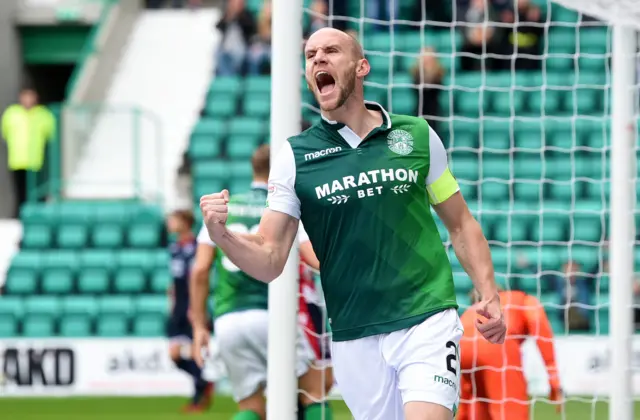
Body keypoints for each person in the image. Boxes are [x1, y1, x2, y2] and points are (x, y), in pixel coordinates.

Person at [200, 27, 506, 420]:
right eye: (310, 55)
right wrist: (221, 235)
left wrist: (489, 292)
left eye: (330, 51)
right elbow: (271, 258)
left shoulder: (415, 135)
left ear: (362, 67)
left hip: (427, 318)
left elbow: (461, 223)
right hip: (353, 333)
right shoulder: (295, 158)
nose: (318, 60)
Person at [191, 144, 334, 420]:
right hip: (273, 315)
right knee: (315, 392)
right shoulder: (284, 207)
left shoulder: (224, 208)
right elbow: (315, 259)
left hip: (228, 318)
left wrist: (199, 326)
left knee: (251, 408)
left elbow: (199, 270)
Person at [457, 289, 563, 420]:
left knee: (478, 406)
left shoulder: (470, 312)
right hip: (497, 347)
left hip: (462, 347)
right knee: (511, 411)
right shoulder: (522, 299)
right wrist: (554, 379)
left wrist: (463, 413)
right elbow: (539, 325)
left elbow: (466, 387)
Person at [165, 210, 214, 413]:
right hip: (178, 308)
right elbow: (176, 281)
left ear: (184, 222)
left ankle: (197, 399)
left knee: (195, 353)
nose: (169, 224)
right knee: (174, 355)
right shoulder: (175, 248)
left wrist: (196, 308)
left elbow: (198, 278)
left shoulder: (196, 247)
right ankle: (203, 382)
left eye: (173, 220)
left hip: (191, 307)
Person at [1, 88, 56, 218]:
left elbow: (51, 135)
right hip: (17, 160)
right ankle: (20, 215)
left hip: (36, 160)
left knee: (35, 191)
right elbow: (5, 133)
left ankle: (36, 215)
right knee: (20, 191)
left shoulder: (43, 114)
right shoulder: (11, 113)